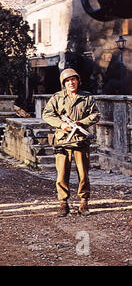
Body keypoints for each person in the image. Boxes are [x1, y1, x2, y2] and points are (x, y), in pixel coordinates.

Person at [42, 68, 100, 217]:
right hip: (62, 142)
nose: (71, 83)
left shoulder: (86, 98)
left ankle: (84, 202)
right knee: (61, 174)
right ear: (64, 83)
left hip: (80, 141)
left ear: (78, 81)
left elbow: (95, 114)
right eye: (67, 80)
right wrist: (62, 125)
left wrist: (81, 123)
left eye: (73, 79)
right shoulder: (57, 98)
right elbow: (47, 114)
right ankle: (63, 203)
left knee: (83, 174)